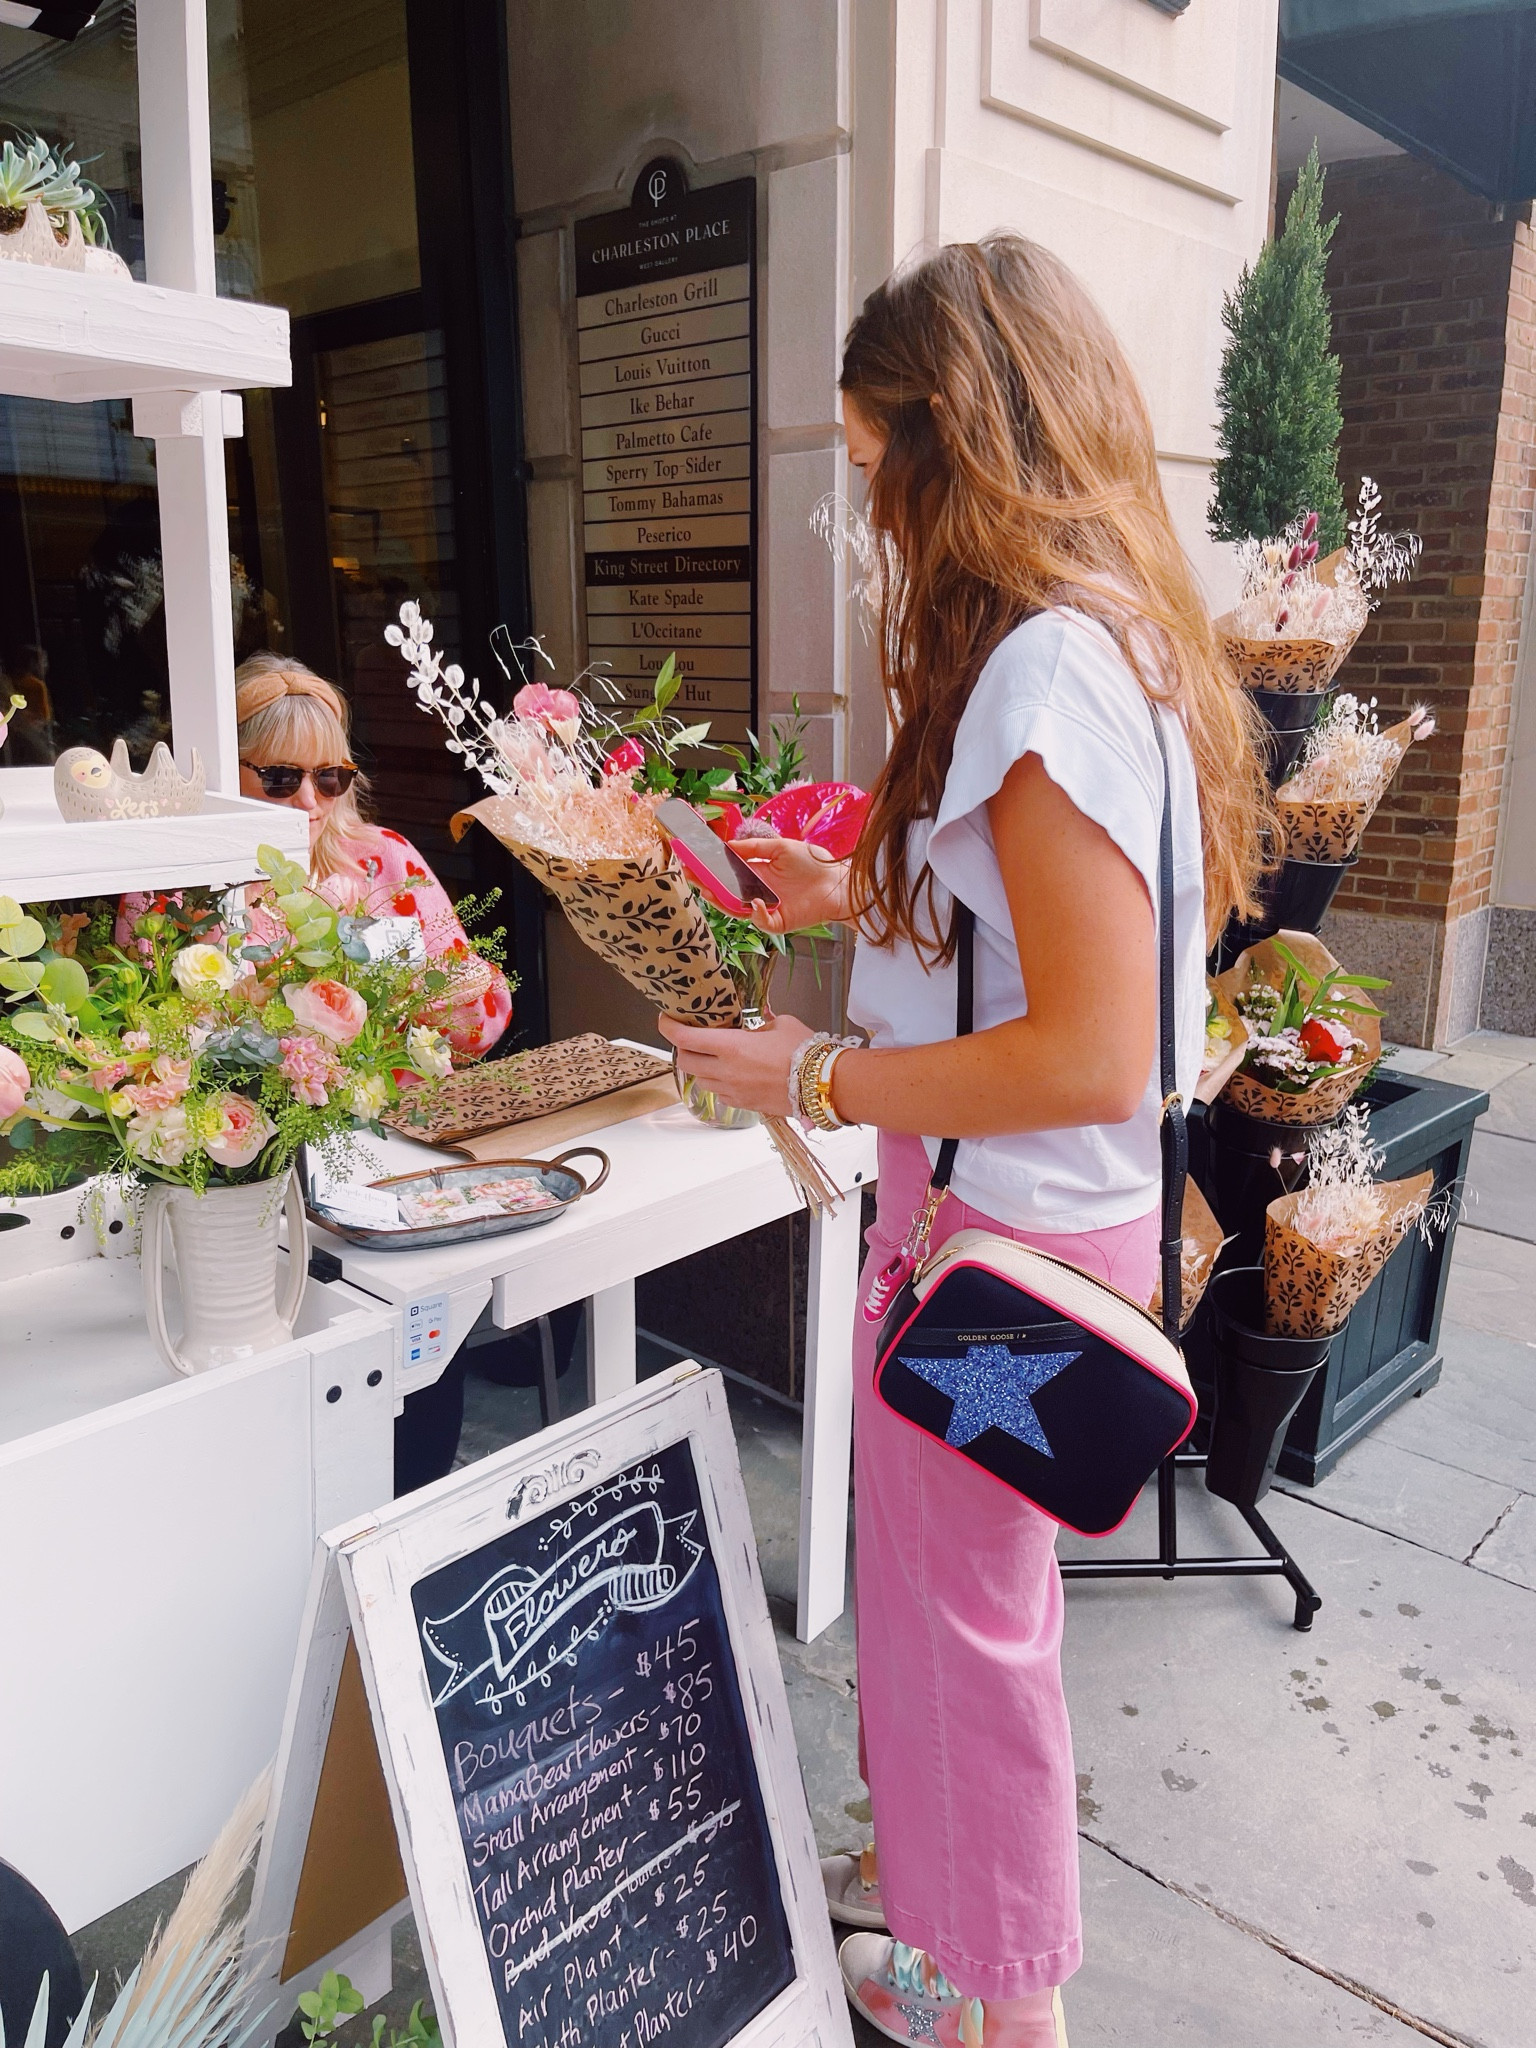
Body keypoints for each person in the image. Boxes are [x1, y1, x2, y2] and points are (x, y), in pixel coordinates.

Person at [659, 235, 1267, 2048]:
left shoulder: (1045, 668)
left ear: (958, 440)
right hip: (1026, 1230)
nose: (871, 517)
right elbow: (1042, 945)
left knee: (966, 1653)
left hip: (996, 1242)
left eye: (872, 469)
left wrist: (817, 1077)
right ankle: (959, 1965)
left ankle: (1016, 2017)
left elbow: (1085, 1046)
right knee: (944, 1640)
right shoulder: (1106, 645)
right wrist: (849, 884)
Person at [120, 655, 514, 1495]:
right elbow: (145, 1049)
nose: (310, 801)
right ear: (222, 775)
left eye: (332, 777)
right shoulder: (169, 893)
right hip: (231, 1204)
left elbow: (485, 1019)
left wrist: (438, 992)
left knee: (413, 1416)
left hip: (381, 1184)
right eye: (279, 777)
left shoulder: (383, 864)